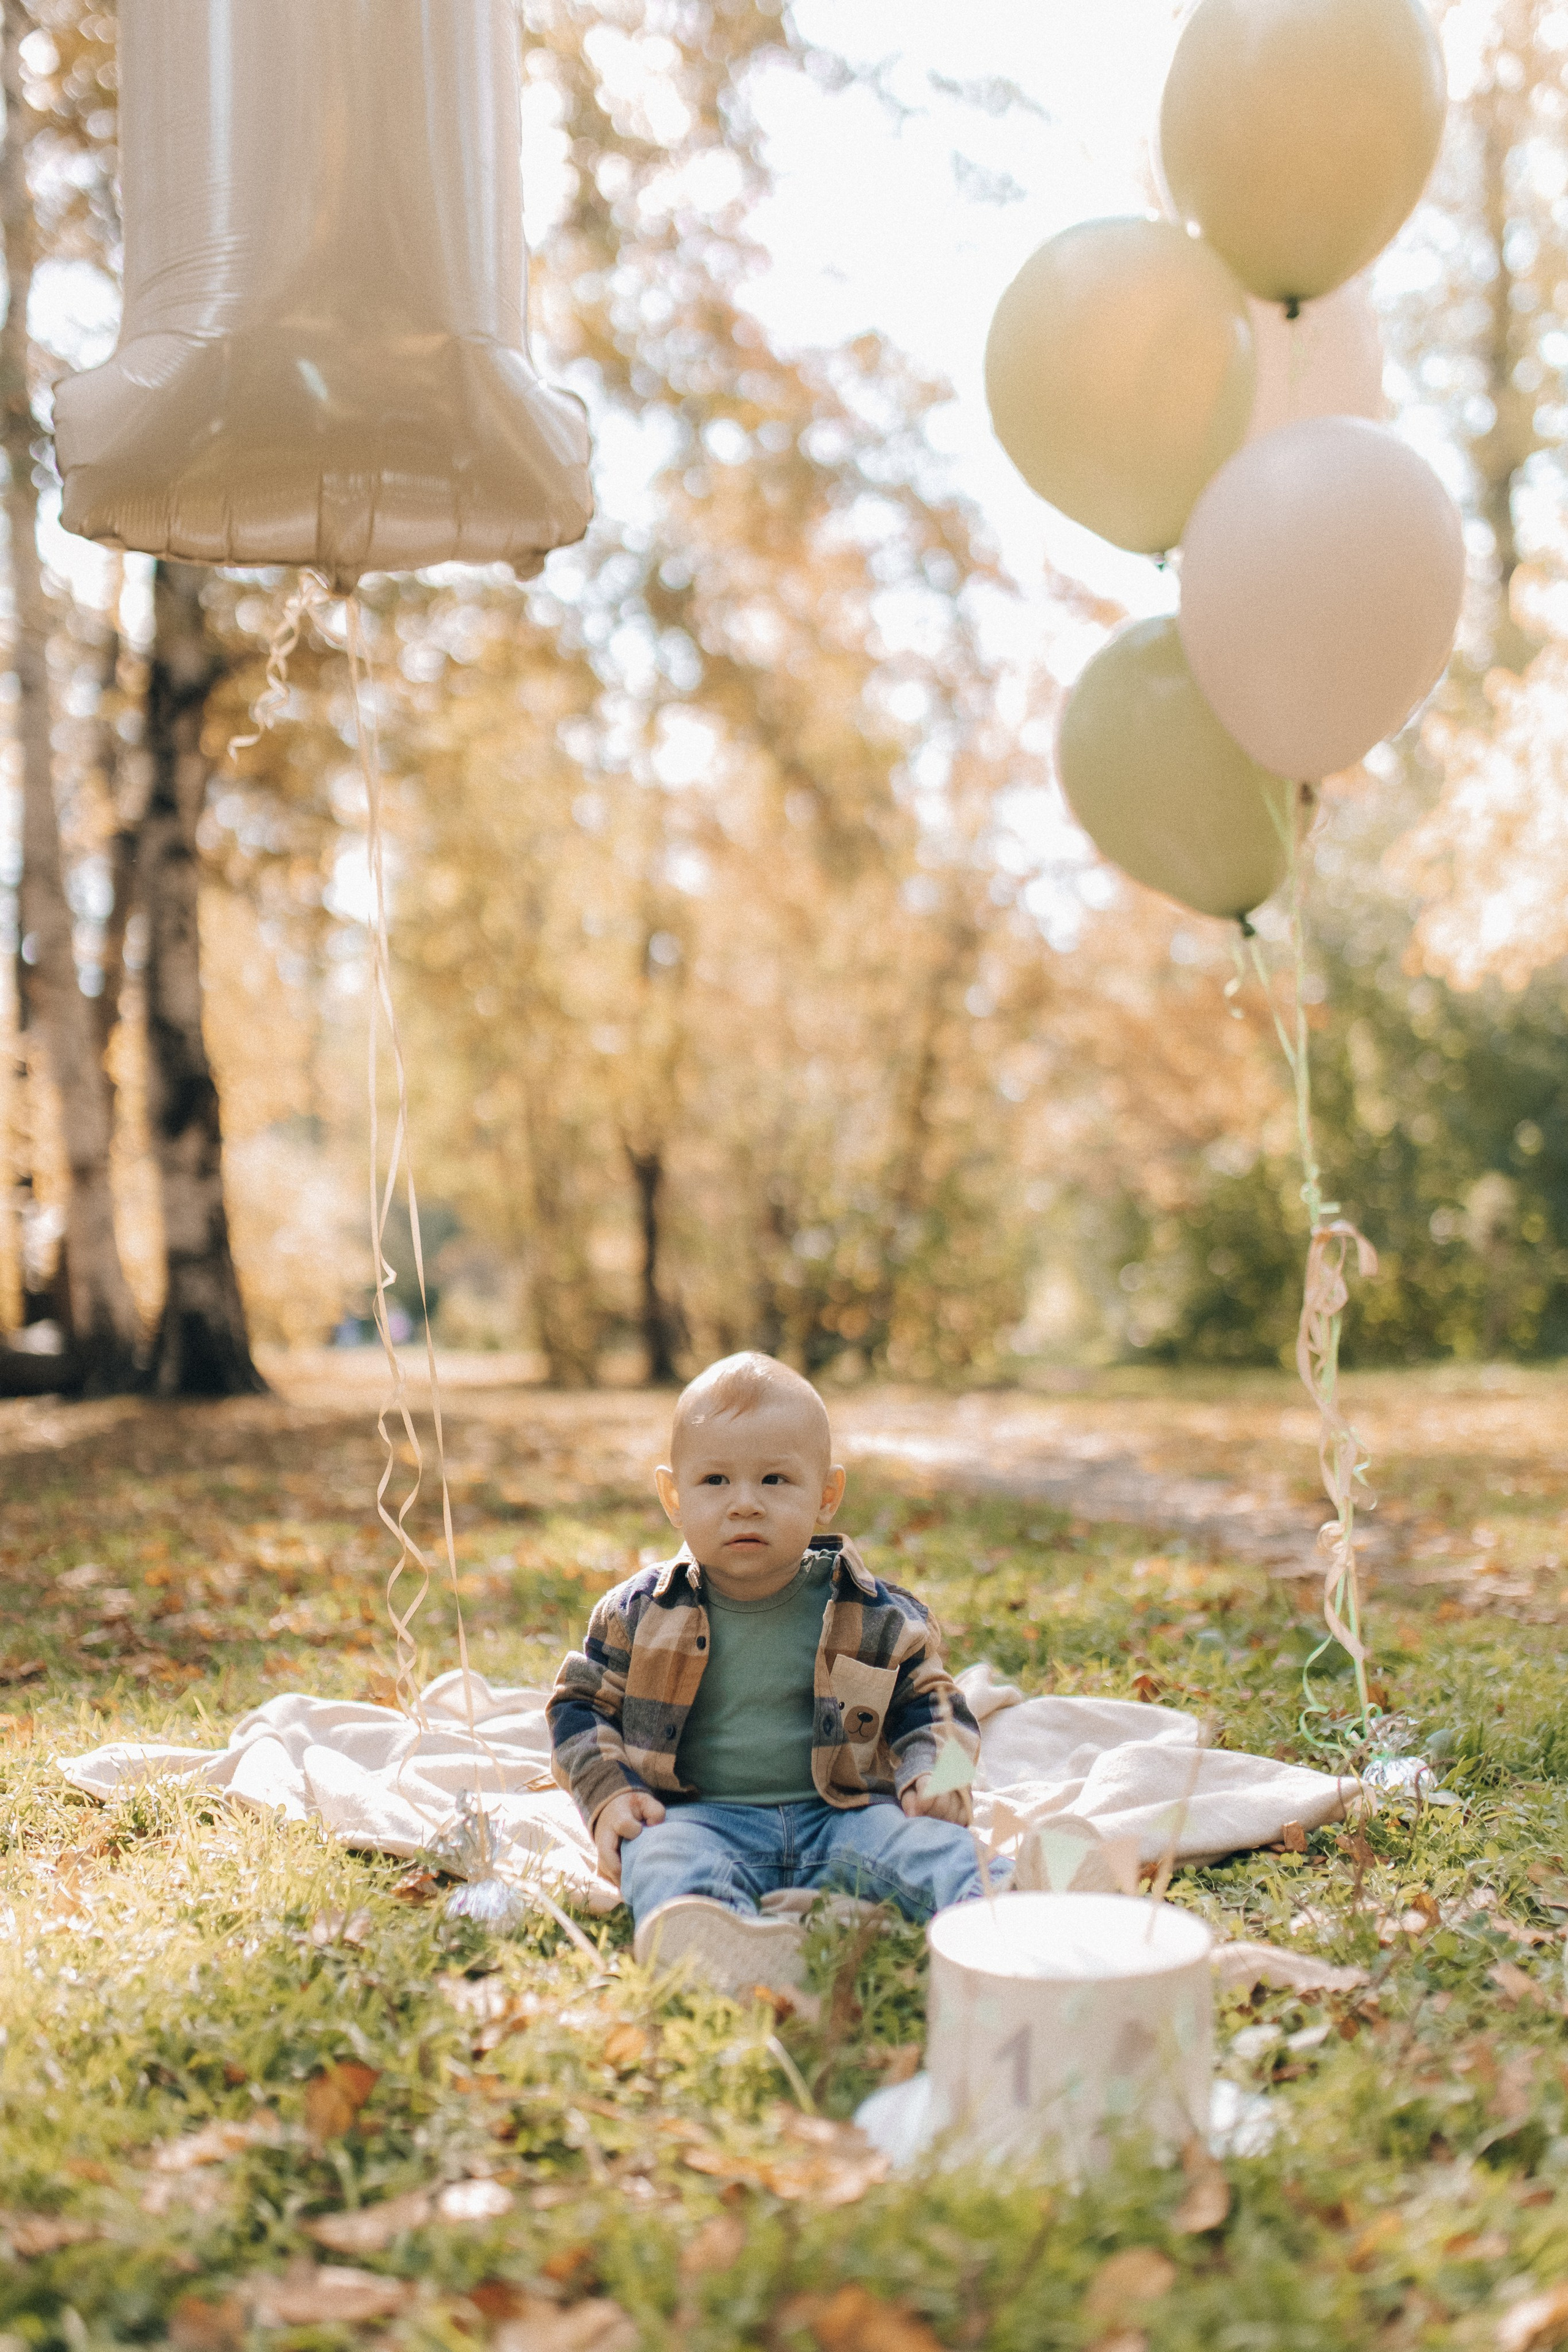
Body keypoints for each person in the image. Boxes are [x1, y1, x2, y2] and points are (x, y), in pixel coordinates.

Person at [547, 1350, 998, 1993]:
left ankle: (1015, 1900)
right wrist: (609, 1794)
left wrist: (939, 1775)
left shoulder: (877, 1615)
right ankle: (717, 1943)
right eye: (715, 1482)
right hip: (700, 1818)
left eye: (776, 1481)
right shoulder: (639, 1614)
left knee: (930, 1848)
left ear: (827, 1496)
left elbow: (940, 1706)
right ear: (673, 1496)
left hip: (844, 1815)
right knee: (659, 1859)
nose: (745, 1505)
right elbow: (578, 1707)